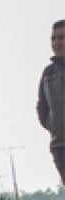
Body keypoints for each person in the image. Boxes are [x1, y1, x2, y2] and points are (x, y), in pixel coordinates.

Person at [36, 20, 65, 184]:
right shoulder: (47, 73)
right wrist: (53, 126)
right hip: (59, 145)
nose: (57, 42)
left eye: (62, 38)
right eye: (53, 39)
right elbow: (42, 107)